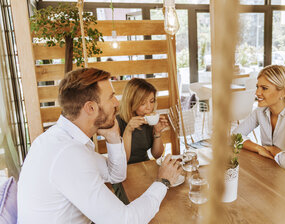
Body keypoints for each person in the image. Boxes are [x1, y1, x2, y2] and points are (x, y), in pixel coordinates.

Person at [17, 68, 182, 224]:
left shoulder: (65, 140)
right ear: (90, 108)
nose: (117, 102)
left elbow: (116, 175)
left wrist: (112, 137)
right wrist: (163, 181)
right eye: (111, 97)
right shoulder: (68, 153)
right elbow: (125, 221)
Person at [233, 65, 285, 172]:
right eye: (257, 87)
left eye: (264, 88)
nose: (257, 93)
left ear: (283, 92)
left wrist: (273, 151)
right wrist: (259, 148)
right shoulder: (261, 111)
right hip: (270, 171)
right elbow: (234, 136)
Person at [117, 78, 167, 164]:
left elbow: (157, 155)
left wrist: (157, 133)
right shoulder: (117, 122)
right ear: (131, 102)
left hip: (144, 165)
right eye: (143, 103)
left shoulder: (148, 120)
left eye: (152, 101)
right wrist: (128, 130)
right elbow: (122, 160)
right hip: (124, 169)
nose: (149, 107)